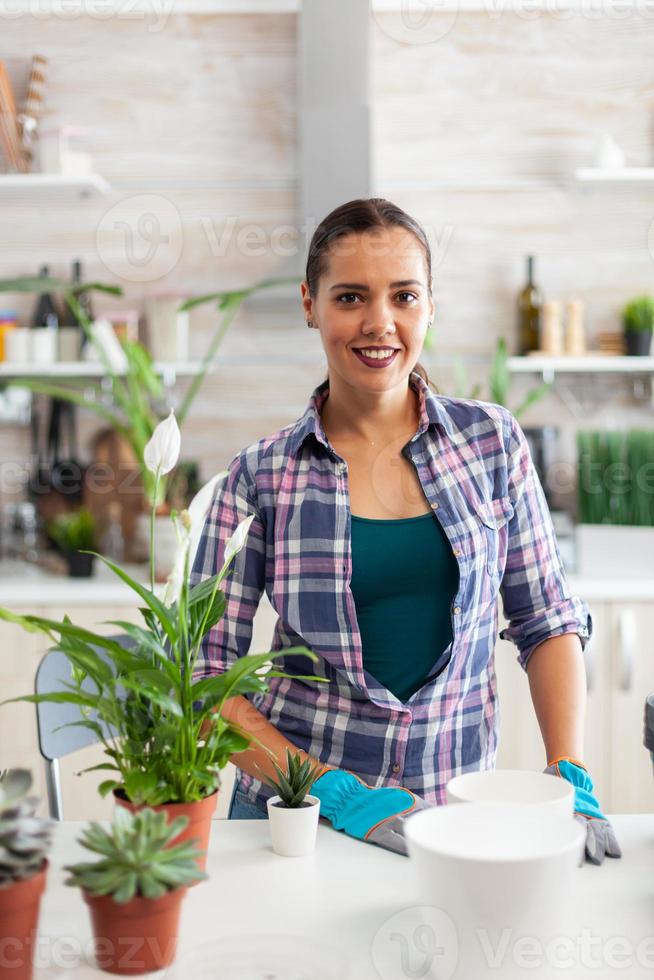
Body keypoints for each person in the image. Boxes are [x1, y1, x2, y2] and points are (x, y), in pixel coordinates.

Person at [191, 197, 620, 864]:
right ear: (310, 303)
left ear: (430, 306)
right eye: (351, 297)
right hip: (298, 822)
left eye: (403, 296)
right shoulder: (260, 476)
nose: (378, 323)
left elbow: (547, 620)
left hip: (460, 817)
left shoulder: (491, 444)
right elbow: (205, 677)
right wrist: (327, 790)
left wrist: (569, 768)